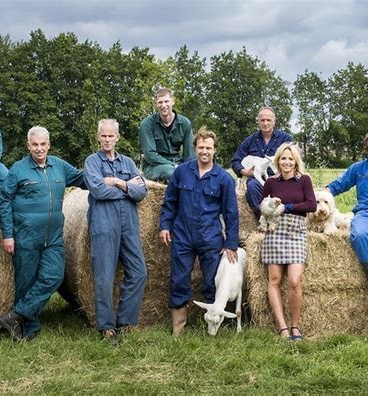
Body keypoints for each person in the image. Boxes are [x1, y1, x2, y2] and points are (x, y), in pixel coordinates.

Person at [0, 126, 86, 341]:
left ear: (49, 145)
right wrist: (8, 235)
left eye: (42, 144)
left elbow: (83, 178)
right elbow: (4, 200)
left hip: (53, 236)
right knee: (25, 282)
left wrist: (109, 174)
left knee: (54, 276)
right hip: (26, 235)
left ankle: (15, 315)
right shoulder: (18, 169)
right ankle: (29, 329)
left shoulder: (60, 166)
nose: (39, 148)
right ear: (28, 146)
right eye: (34, 144)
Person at [160, 127, 239, 336]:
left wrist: (231, 243)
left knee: (211, 281)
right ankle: (178, 326)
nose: (205, 151)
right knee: (179, 279)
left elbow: (231, 213)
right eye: (201, 147)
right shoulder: (181, 172)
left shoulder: (224, 179)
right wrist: (165, 225)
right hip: (183, 235)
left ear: (215, 150)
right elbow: (170, 202)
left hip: (210, 237)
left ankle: (212, 323)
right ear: (195, 148)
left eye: (209, 148)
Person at [85, 119, 148, 343]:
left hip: (128, 224)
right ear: (98, 136)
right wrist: (128, 187)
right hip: (103, 224)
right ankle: (106, 327)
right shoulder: (91, 162)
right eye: (103, 135)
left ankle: (124, 321)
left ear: (118, 137)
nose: (107, 139)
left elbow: (143, 191)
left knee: (139, 272)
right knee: (104, 276)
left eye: (111, 136)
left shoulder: (128, 162)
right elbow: (99, 191)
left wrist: (118, 183)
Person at [327, 130, 368, 309]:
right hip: (365, 212)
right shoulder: (358, 168)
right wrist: (317, 195)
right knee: (359, 234)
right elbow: (337, 185)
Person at [259, 142, 316, 341]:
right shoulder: (271, 183)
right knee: (274, 280)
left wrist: (287, 207)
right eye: (283, 158)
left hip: (296, 232)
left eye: (290, 159)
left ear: (296, 161)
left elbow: (311, 205)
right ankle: (282, 328)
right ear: (277, 161)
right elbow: (263, 206)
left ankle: (295, 326)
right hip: (275, 232)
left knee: (294, 280)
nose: (287, 162)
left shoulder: (304, 180)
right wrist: (270, 207)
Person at [231, 107, 292, 216]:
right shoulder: (249, 141)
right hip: (256, 180)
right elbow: (235, 161)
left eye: (268, 120)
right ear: (258, 121)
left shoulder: (286, 139)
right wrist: (244, 172)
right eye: (262, 120)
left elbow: (294, 161)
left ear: (274, 121)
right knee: (252, 188)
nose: (265, 123)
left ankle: (280, 218)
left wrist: (282, 174)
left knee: (289, 191)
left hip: (280, 178)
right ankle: (262, 217)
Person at [139, 87, 195, 182]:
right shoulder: (146, 124)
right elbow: (150, 155)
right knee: (172, 172)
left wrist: (190, 169)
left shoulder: (185, 123)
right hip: (154, 166)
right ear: (156, 104)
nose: (163, 105)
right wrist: (174, 166)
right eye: (160, 102)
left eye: (166, 101)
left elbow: (189, 154)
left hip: (178, 163)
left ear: (173, 101)